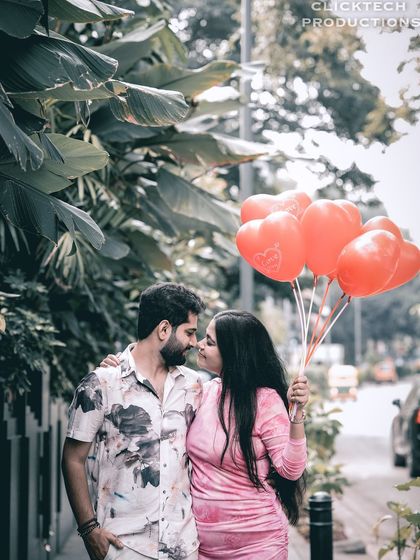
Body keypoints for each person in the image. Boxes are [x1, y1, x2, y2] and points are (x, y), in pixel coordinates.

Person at [102, 308, 309, 560]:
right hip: (202, 547)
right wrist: (119, 367)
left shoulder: (265, 401)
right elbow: (151, 384)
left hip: (258, 544)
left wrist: (296, 416)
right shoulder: (202, 391)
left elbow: (291, 469)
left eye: (209, 342)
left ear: (233, 353)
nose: (199, 344)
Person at [61, 282, 206, 560]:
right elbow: (72, 459)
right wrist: (89, 529)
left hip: (183, 547)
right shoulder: (101, 385)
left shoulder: (195, 387)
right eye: (189, 332)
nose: (193, 342)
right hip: (123, 548)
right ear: (164, 330)